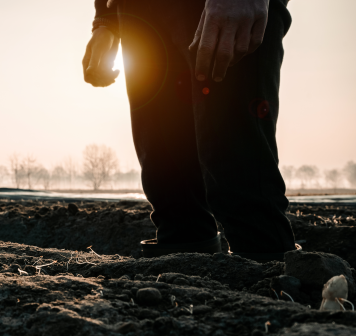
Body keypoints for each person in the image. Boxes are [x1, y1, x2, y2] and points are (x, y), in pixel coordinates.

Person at [83, 0, 298, 262]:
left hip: (223, 9)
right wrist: (105, 19)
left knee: (240, 177)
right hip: (136, 15)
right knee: (168, 185)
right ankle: (184, 288)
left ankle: (274, 288)